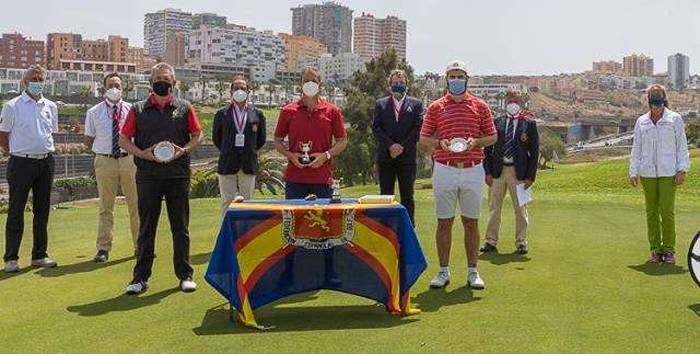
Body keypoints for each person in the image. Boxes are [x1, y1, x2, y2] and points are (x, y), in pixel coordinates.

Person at [119, 62, 203, 294]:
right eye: (157, 78)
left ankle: (185, 275)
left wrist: (183, 150)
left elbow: (198, 135)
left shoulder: (184, 108)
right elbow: (124, 139)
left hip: (178, 175)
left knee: (180, 227)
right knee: (147, 227)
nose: (161, 82)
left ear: (174, 83)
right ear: (150, 82)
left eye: (166, 79)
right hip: (148, 176)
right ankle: (140, 277)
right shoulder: (137, 109)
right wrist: (142, 153)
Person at [419, 60, 497, 290]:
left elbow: (492, 136)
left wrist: (476, 142)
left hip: (472, 168)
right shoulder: (436, 107)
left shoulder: (480, 106)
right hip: (445, 169)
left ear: (467, 78)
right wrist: (439, 143)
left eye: (459, 76)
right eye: (451, 77)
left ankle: (473, 271)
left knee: (471, 222)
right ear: (446, 80)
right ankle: (443, 270)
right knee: (444, 222)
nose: (455, 81)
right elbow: (424, 138)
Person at [0, 65, 59, 273]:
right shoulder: (12, 106)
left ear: (45, 81)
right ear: (25, 81)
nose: (36, 81)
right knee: (16, 210)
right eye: (33, 78)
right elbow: (3, 135)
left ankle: (39, 255)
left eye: (40, 78)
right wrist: (11, 152)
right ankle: (11, 258)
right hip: (21, 163)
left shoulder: (51, 106)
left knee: (42, 211)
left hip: (45, 161)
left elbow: (52, 132)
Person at [629, 84, 689, 264]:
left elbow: (682, 146)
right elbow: (636, 148)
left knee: (667, 211)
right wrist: (633, 171)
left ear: (664, 98)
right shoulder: (642, 121)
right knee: (651, 212)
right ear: (648, 99)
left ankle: (669, 250)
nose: (655, 99)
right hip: (647, 173)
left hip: (668, 172)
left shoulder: (675, 119)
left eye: (658, 95)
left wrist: (682, 169)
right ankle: (655, 249)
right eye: (652, 96)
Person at [84, 72, 139, 262]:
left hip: (129, 160)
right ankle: (103, 248)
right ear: (104, 88)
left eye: (117, 85)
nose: (114, 88)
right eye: (110, 85)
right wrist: (104, 152)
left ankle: (140, 246)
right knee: (105, 206)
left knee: (136, 205)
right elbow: (88, 140)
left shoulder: (133, 110)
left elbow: (137, 137)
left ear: (123, 88)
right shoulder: (94, 112)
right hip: (105, 160)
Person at [274, 66, 347, 199]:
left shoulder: (333, 111)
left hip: (323, 178)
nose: (309, 84)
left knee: (323, 220)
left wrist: (325, 156)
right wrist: (290, 156)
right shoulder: (287, 111)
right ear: (300, 84)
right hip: (295, 178)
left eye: (313, 81)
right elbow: (277, 140)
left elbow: (342, 141)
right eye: (306, 81)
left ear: (320, 85)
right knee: (295, 219)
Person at [481, 91, 539, 255]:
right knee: (494, 208)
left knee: (521, 209)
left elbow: (534, 152)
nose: (512, 103)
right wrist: (487, 172)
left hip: (519, 173)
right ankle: (490, 241)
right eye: (509, 100)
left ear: (520, 103)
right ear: (505, 102)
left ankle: (521, 242)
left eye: (515, 101)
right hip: (498, 172)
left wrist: (530, 176)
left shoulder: (529, 124)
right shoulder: (496, 122)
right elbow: (487, 150)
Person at [372, 69, 424, 225]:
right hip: (386, 157)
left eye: (401, 82)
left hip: (407, 157)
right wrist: (391, 146)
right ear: (390, 85)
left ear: (407, 84)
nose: (398, 85)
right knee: (385, 195)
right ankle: (386, 228)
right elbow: (376, 128)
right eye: (395, 83)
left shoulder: (416, 104)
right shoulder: (380, 104)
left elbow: (417, 128)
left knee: (407, 195)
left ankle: (409, 228)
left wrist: (401, 146)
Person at [213, 75, 266, 216]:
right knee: (227, 201)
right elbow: (216, 139)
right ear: (231, 91)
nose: (239, 91)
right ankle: (227, 237)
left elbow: (261, 139)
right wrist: (228, 150)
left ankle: (246, 236)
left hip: (248, 163)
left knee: (248, 203)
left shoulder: (257, 114)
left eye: (243, 88)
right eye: (236, 88)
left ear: (248, 91)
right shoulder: (221, 114)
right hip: (227, 163)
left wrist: (248, 150)